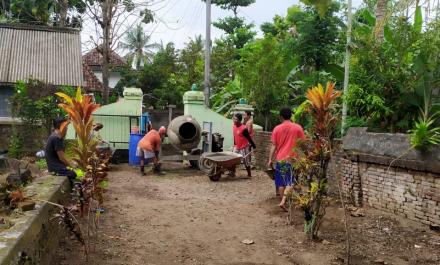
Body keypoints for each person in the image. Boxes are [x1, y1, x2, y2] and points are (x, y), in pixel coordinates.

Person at [268, 107, 305, 212]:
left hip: (280, 159)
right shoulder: (297, 128)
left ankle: (283, 201)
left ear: (280, 116)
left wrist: (270, 159)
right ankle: (284, 202)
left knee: (280, 183)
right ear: (291, 115)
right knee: (290, 182)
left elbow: (273, 146)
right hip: (292, 159)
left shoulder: (277, 129)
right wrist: (306, 155)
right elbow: (303, 143)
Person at [45, 117, 77, 182]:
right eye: (66, 126)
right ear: (62, 126)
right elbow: (61, 157)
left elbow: (62, 155)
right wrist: (72, 165)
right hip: (56, 169)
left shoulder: (55, 136)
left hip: (55, 167)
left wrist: (71, 162)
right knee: (73, 174)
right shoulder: (56, 138)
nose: (67, 128)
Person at [232, 113, 256, 178]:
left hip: (244, 147)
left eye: (236, 119)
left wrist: (253, 145)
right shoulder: (234, 126)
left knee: (246, 161)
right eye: (233, 119)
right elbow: (234, 136)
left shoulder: (243, 128)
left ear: (239, 120)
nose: (234, 120)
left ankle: (249, 174)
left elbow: (249, 138)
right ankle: (232, 172)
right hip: (237, 146)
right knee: (232, 159)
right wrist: (234, 145)